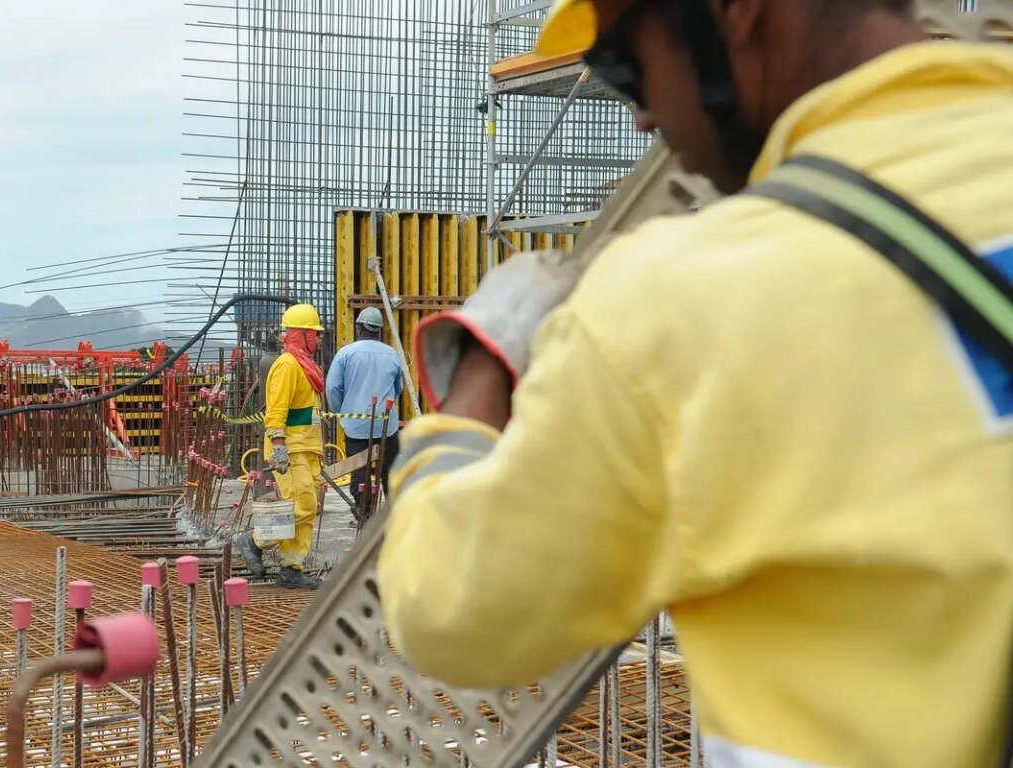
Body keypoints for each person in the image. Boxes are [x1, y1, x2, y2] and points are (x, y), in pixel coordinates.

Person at [379, 1, 1013, 765]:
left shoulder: (671, 307)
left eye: (624, 63)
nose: (642, 116)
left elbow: (448, 607)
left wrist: (481, 363)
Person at [236, 303, 327, 589]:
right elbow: (276, 412)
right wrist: (279, 448)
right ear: (303, 334)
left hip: (307, 448)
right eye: (316, 333)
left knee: (307, 510)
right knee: (302, 506)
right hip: (290, 450)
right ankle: (253, 541)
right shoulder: (287, 366)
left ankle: (291, 568)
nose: (320, 338)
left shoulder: (306, 367)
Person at [325, 307, 404, 518]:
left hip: (356, 427)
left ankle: (366, 515)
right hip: (387, 425)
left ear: (359, 329)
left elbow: (332, 388)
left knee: (360, 473)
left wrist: (342, 413)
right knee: (390, 472)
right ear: (379, 330)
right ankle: (394, 517)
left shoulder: (345, 353)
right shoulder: (392, 354)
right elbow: (399, 389)